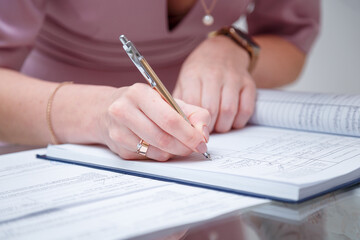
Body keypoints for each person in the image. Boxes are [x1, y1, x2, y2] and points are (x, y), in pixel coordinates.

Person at [0, 0, 319, 161]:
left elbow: (290, 39)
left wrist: (234, 46)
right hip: (45, 138)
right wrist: (97, 114)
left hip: (199, 191)